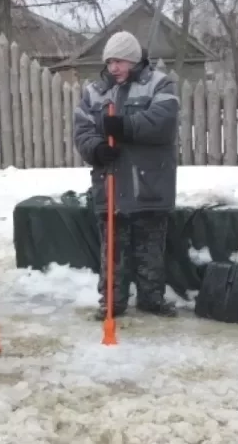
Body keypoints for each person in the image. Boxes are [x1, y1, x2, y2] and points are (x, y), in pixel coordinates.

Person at [72, 31, 180, 321]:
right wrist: (96, 149)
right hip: (111, 183)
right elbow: (82, 129)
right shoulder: (94, 92)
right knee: (112, 250)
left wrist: (124, 126)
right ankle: (111, 302)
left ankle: (152, 298)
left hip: (149, 183)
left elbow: (163, 122)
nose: (114, 68)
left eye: (119, 61)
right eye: (109, 62)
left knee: (151, 248)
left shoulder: (160, 83)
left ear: (133, 60)